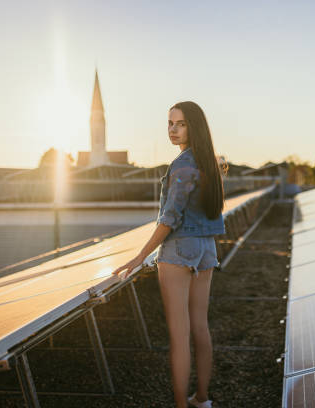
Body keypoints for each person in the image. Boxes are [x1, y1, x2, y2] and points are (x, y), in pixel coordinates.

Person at [113, 101, 225, 408]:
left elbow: (169, 218)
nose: (172, 130)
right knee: (200, 327)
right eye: (170, 124)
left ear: (194, 127)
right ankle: (202, 399)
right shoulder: (210, 164)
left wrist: (139, 257)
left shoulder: (182, 166)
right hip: (206, 250)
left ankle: (180, 405)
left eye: (180, 124)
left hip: (179, 250)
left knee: (180, 336)